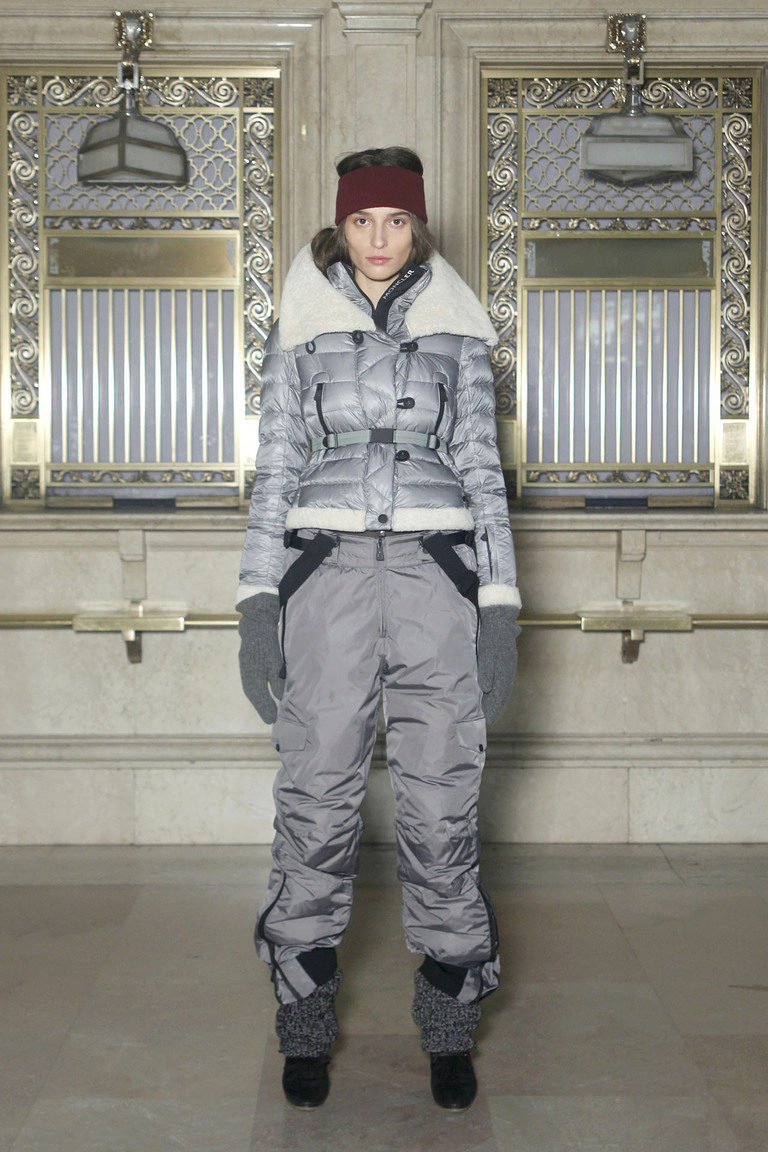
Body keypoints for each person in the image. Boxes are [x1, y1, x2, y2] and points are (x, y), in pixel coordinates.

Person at [237, 146, 520, 1111]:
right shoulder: (300, 327)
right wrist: (257, 602)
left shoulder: (458, 332)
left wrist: (499, 608)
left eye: (397, 221)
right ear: (341, 225)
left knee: (442, 805)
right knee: (315, 800)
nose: (380, 239)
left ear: (418, 226)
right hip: (327, 574)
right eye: (363, 221)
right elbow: (275, 468)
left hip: (439, 575)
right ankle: (305, 1026)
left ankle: (447, 1025)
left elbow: (484, 472)